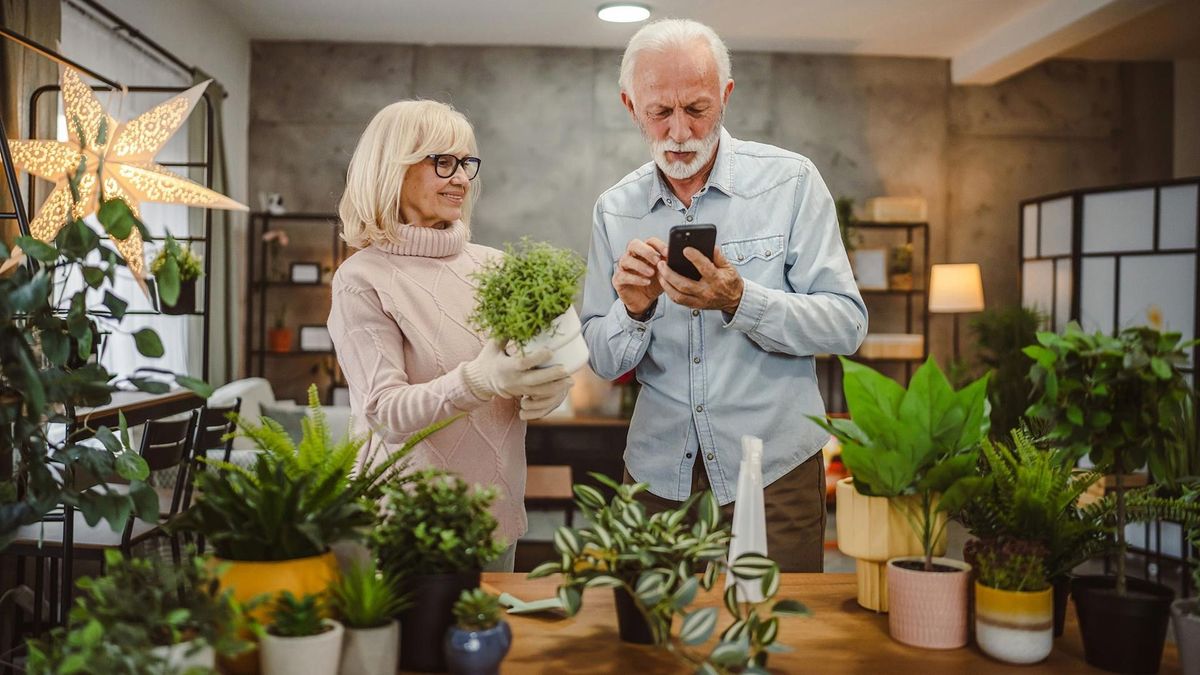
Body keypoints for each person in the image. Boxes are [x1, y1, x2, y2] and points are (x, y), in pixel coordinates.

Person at [580, 20, 867, 572]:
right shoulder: (614, 210)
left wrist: (740, 300)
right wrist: (633, 311)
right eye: (660, 112)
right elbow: (601, 356)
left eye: (697, 108)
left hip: (774, 474)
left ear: (727, 97)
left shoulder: (791, 183)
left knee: (770, 641)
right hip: (656, 475)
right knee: (649, 647)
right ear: (630, 105)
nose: (680, 131)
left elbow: (846, 325)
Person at [328, 100, 573, 572]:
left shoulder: (496, 265)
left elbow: (530, 363)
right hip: (405, 528)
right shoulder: (362, 278)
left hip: (495, 522)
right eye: (442, 161)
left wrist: (549, 384)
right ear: (391, 170)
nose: (461, 177)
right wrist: (479, 380)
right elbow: (383, 413)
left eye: (465, 162)